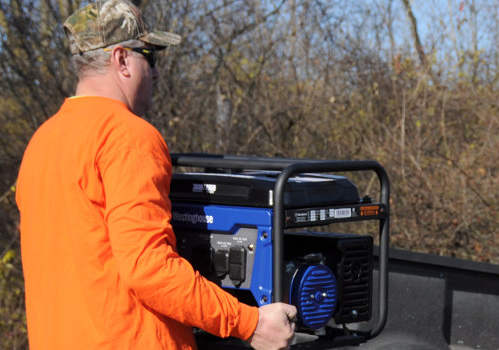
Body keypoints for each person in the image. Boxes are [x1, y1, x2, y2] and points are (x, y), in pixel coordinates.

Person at [15, 0, 296, 349]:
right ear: (121, 59)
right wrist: (248, 322)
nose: (157, 73)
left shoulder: (42, 141)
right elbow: (148, 268)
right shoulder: (128, 136)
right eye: (150, 57)